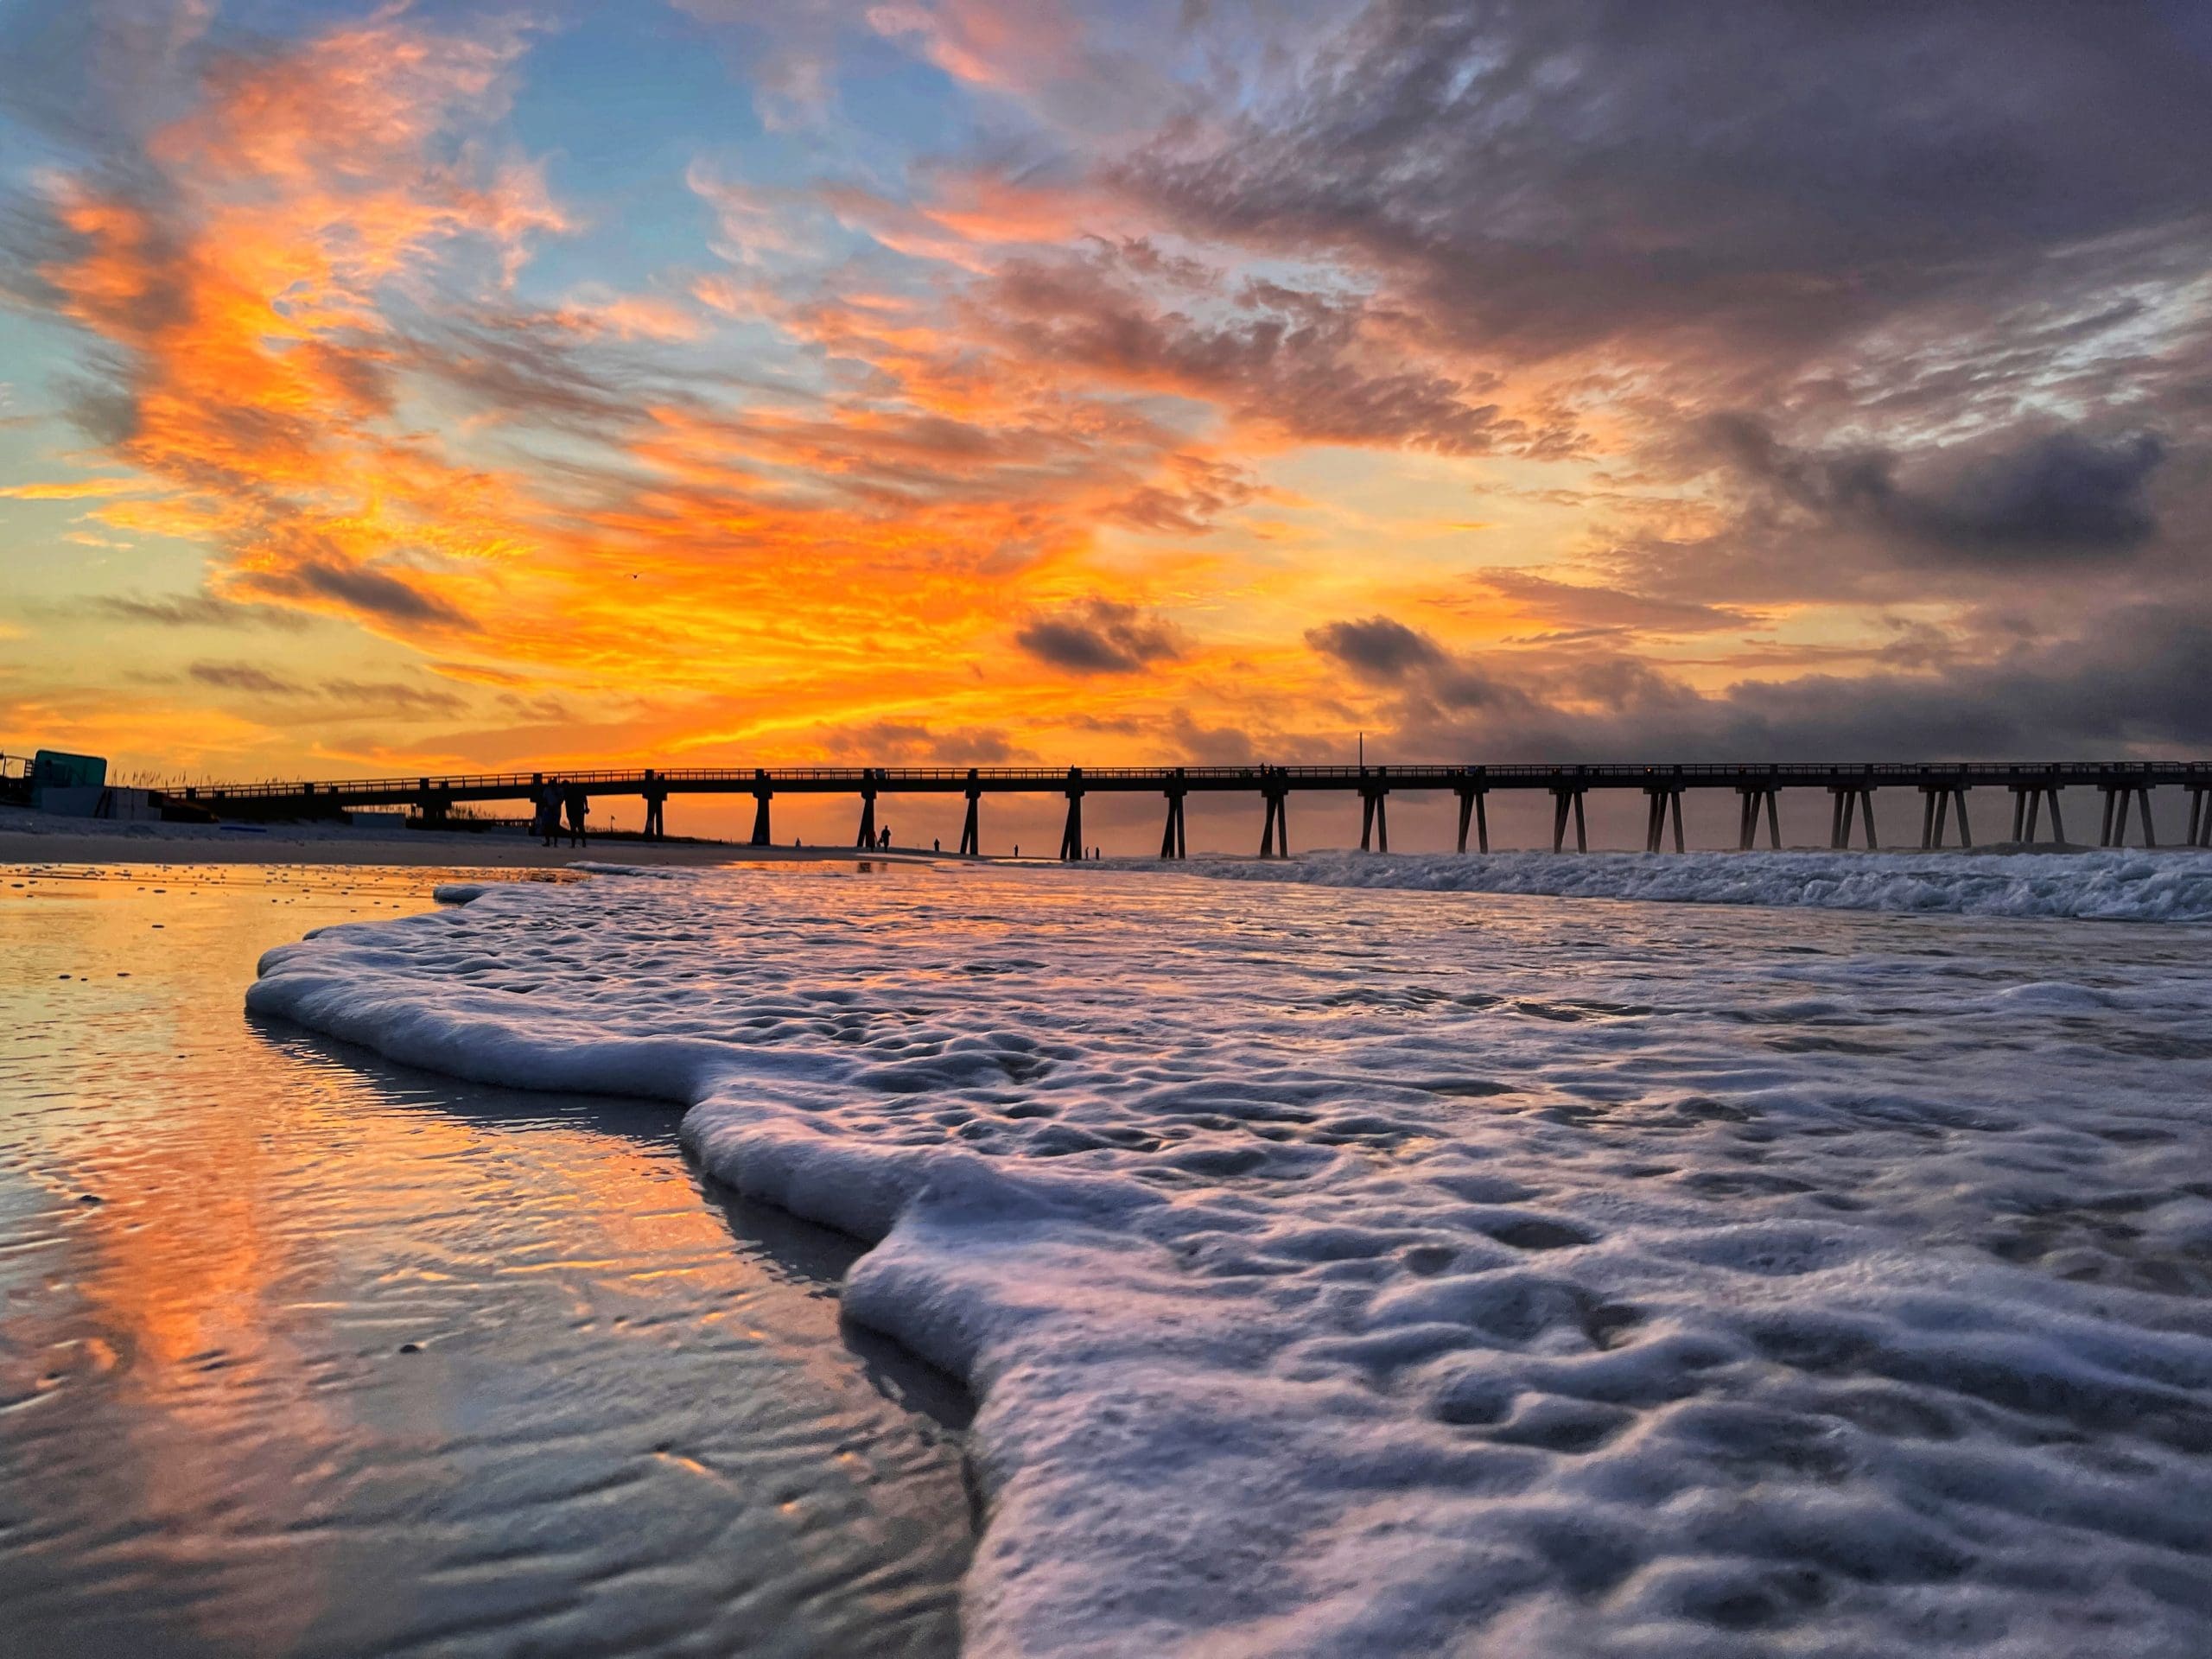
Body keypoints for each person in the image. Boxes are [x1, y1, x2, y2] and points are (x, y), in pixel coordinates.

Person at [563, 784, 588, 848]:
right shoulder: (578, 791)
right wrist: (586, 807)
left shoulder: (567, 792)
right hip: (579, 812)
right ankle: (583, 843)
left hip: (573, 812)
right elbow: (585, 799)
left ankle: (574, 844)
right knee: (580, 827)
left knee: (573, 828)